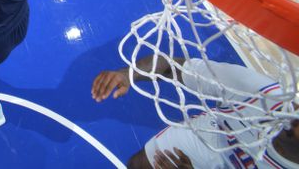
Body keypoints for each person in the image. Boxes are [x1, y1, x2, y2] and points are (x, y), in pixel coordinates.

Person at [92, 55, 299, 168]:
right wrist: (127, 74)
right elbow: (171, 66)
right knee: (140, 164)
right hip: (217, 134)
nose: (293, 112)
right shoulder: (259, 91)